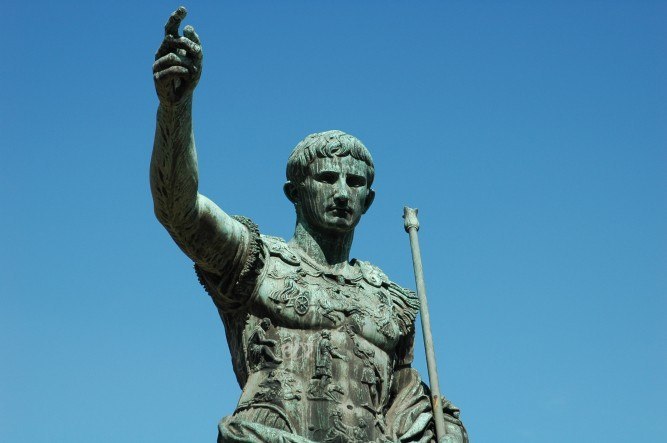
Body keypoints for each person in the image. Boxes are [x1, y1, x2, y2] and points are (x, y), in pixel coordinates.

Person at [151, 7, 467, 443]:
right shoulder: (256, 263)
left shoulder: (390, 303)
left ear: (369, 200)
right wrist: (175, 107)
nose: (342, 192)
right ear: (294, 192)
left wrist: (443, 428)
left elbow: (409, 402)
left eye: (354, 183)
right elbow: (178, 210)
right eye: (327, 178)